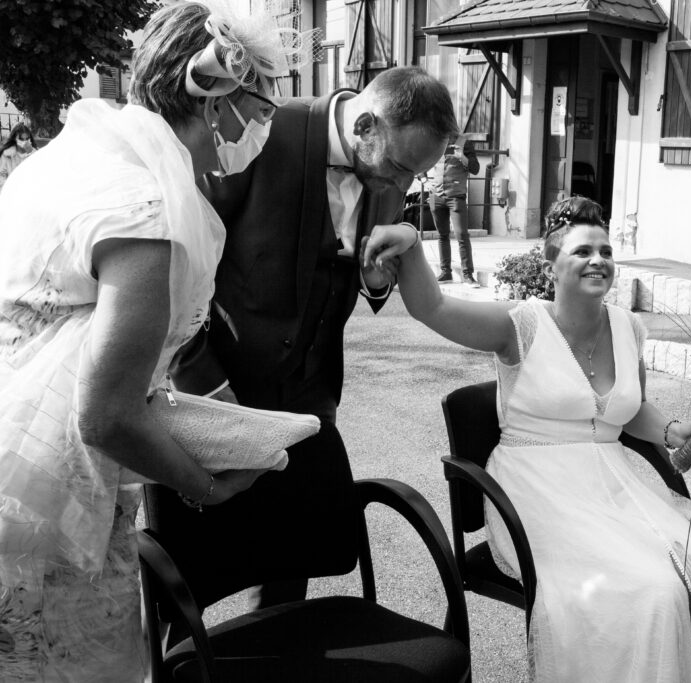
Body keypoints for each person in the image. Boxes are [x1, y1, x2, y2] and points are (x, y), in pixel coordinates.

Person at [0, 2, 311, 679]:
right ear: (217, 98)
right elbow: (107, 414)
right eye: (261, 107)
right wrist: (205, 487)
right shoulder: (145, 211)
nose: (264, 127)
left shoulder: (71, 159)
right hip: (49, 508)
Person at [365, 196, 691, 682]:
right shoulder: (521, 325)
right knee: (654, 592)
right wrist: (411, 240)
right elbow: (434, 307)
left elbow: (630, 411)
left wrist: (673, 430)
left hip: (613, 489)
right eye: (583, 251)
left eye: (606, 251)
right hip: (538, 491)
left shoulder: (629, 328)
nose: (598, 260)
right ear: (551, 264)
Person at [169, 65, 457, 610]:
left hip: (309, 400)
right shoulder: (260, 130)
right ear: (366, 125)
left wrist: (376, 281)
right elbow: (178, 269)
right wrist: (204, 386)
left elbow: (356, 272)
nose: (402, 187)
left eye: (415, 177)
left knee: (288, 571)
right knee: (188, 580)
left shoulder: (390, 165)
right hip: (218, 389)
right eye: (399, 169)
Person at [430, 134, 480, 286]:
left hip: (456, 196)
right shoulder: (435, 141)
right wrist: (423, 178)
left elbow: (475, 169)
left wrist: (462, 157)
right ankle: (446, 273)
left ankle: (468, 274)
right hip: (436, 196)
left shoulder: (465, 143)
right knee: (442, 235)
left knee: (462, 235)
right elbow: (420, 161)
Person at [0, 122, 37, 192]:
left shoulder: (35, 154)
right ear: (15, 139)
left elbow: (40, 173)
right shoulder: (7, 155)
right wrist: (11, 187)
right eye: (21, 139)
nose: (25, 142)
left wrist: (31, 153)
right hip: (11, 192)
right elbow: (1, 175)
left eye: (27, 139)